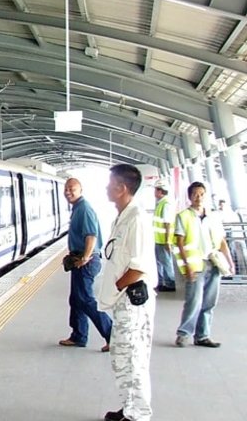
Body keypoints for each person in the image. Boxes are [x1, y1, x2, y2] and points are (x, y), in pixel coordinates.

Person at [95, 164, 157, 421]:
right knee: (122, 358)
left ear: (121, 188)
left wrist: (118, 286)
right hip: (123, 302)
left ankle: (139, 415)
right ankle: (129, 407)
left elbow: (138, 267)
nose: (106, 187)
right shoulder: (122, 218)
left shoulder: (137, 219)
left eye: (110, 183)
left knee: (133, 359)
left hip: (133, 301)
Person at [174, 182, 234, 348]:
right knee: (193, 301)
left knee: (209, 302)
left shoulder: (213, 217)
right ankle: (184, 334)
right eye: (195, 194)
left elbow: (221, 241)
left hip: (214, 263)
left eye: (201, 194)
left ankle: (202, 335)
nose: (199, 198)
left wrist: (230, 262)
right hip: (195, 264)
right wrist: (186, 266)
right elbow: (179, 242)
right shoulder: (183, 216)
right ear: (190, 197)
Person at [58, 178, 113, 352]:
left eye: (72, 189)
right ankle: (79, 336)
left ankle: (112, 335)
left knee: (85, 300)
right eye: (66, 189)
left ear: (80, 190)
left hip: (87, 261)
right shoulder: (77, 208)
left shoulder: (84, 209)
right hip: (81, 260)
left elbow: (91, 235)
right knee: (76, 299)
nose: (68, 192)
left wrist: (85, 257)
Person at [151, 180, 176, 292]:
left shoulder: (166, 204)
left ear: (160, 191)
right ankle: (160, 282)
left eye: (155, 190)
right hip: (158, 239)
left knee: (166, 262)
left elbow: (168, 223)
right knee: (159, 262)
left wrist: (168, 241)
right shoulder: (160, 203)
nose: (154, 192)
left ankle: (170, 283)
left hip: (163, 240)